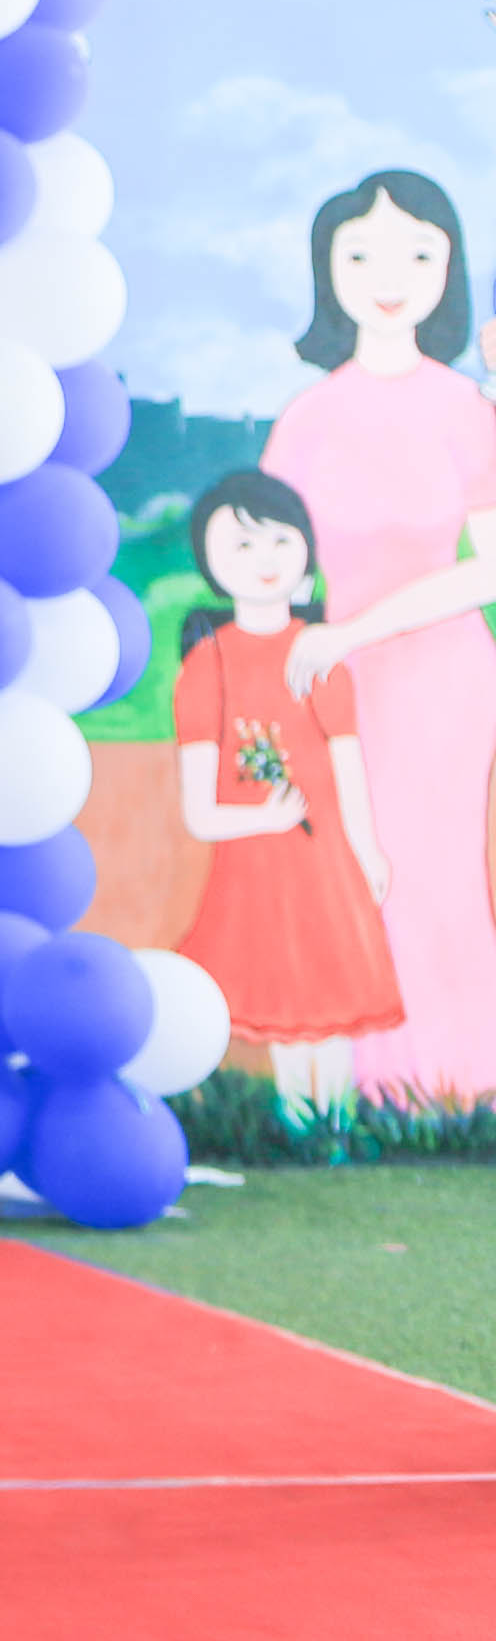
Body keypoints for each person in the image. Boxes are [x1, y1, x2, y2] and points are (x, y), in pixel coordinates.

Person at [258, 169, 496, 1107]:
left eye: (418, 255)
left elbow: (488, 570)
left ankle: (455, 1082)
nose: (389, 278)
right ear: (328, 271)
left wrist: (357, 628)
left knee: (436, 868)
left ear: (449, 271)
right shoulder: (307, 419)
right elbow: (275, 566)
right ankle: (356, 1086)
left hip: (443, 681)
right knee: (351, 871)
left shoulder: (465, 410)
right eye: (360, 255)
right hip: (332, 684)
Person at [163, 467, 403, 1118]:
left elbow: (346, 762)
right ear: (210, 562)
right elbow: (200, 814)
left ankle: (338, 1127)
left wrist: (367, 850)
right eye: (242, 545)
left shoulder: (319, 654)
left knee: (332, 997)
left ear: (305, 550)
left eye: (278, 541)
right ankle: (302, 1125)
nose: (264, 560)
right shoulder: (208, 665)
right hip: (257, 873)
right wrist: (264, 820)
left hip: (326, 865)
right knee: (287, 999)